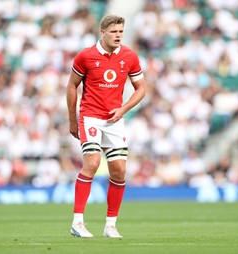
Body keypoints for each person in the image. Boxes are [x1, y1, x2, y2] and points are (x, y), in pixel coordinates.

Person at [66, 14, 146, 238]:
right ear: (103, 32)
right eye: (114, 32)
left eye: (121, 31)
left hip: (114, 119)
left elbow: (141, 88)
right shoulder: (86, 56)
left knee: (119, 172)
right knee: (92, 162)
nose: (118, 35)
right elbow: (72, 86)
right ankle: (78, 222)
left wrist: (123, 109)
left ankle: (110, 225)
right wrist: (73, 119)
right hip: (90, 116)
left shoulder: (129, 56)